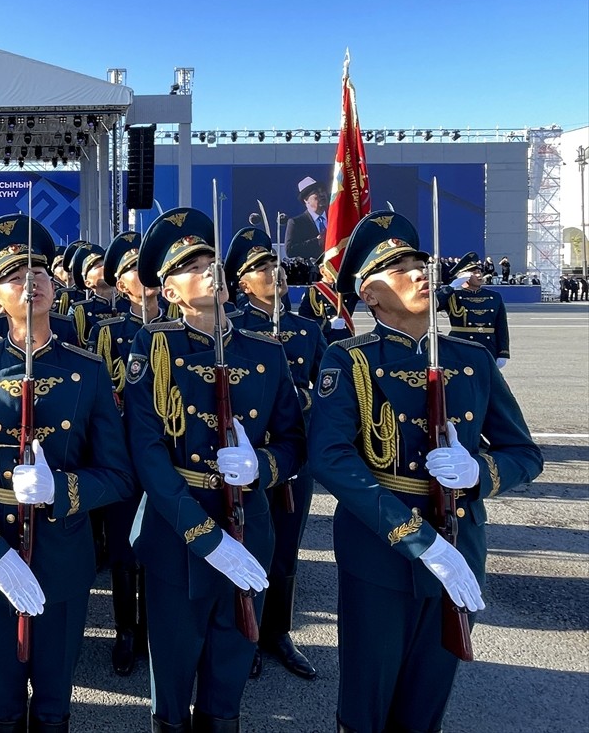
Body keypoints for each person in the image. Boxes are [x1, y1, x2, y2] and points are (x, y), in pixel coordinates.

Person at [310, 211, 543, 733]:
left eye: (419, 263)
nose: (420, 274)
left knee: (425, 704)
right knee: (366, 705)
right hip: (381, 551)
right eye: (400, 269)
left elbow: (525, 453)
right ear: (369, 295)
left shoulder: (472, 360)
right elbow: (331, 457)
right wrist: (417, 537)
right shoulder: (348, 361)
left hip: (460, 545)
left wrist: (477, 472)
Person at [0, 214, 134, 733]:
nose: (30, 280)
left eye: (39, 269)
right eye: (14, 275)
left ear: (56, 286)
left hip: (65, 552)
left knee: (55, 700)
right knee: (4, 699)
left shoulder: (88, 371)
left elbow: (119, 475)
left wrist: (64, 489)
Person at [124, 207, 306, 733]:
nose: (209, 268)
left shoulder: (266, 353)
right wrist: (203, 535)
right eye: (190, 264)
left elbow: (295, 442)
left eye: (211, 258)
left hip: (249, 523)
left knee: (228, 675)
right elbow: (147, 451)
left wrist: (261, 467)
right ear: (171, 292)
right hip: (175, 529)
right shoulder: (154, 347)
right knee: (174, 679)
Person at [224, 227, 325, 680]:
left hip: (290, 456)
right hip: (244, 458)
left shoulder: (306, 329)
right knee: (245, 545)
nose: (275, 272)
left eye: (276, 265)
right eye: (262, 268)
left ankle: (277, 632)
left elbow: (331, 390)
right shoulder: (232, 329)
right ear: (242, 282)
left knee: (286, 548)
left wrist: (306, 402)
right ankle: (242, 632)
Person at [88, 230, 163, 677]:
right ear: (120, 282)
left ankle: (154, 627)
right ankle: (124, 630)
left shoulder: (180, 331)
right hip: (122, 455)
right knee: (122, 547)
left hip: (167, 456)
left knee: (158, 546)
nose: (144, 274)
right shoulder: (107, 331)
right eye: (134, 268)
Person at [441, 252, 511, 368]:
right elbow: (432, 305)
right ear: (463, 277)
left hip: (488, 347)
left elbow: (501, 326)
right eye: (474, 273)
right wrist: (450, 287)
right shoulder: (453, 295)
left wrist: (503, 352)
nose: (479, 275)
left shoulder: (494, 296)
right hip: (461, 346)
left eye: (479, 272)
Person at [284, 176, 330, 261]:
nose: (322, 194)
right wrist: (316, 241)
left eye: (322, 191)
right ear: (306, 199)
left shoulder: (334, 217)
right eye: (316, 192)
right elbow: (290, 250)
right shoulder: (297, 223)